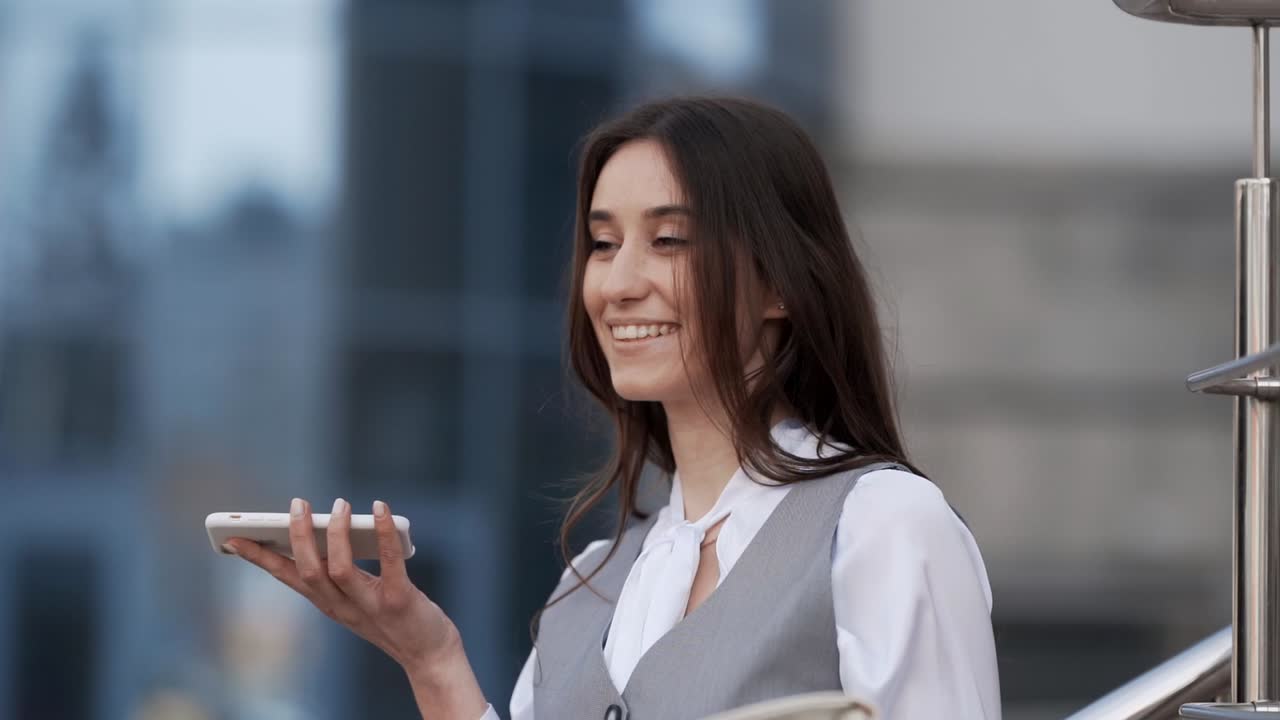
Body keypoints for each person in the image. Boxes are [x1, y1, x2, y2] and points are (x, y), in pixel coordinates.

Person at [221, 96, 1001, 719]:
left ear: (779, 285)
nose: (618, 283)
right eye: (603, 243)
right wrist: (430, 657)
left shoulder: (883, 527)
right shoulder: (593, 582)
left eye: (669, 240)